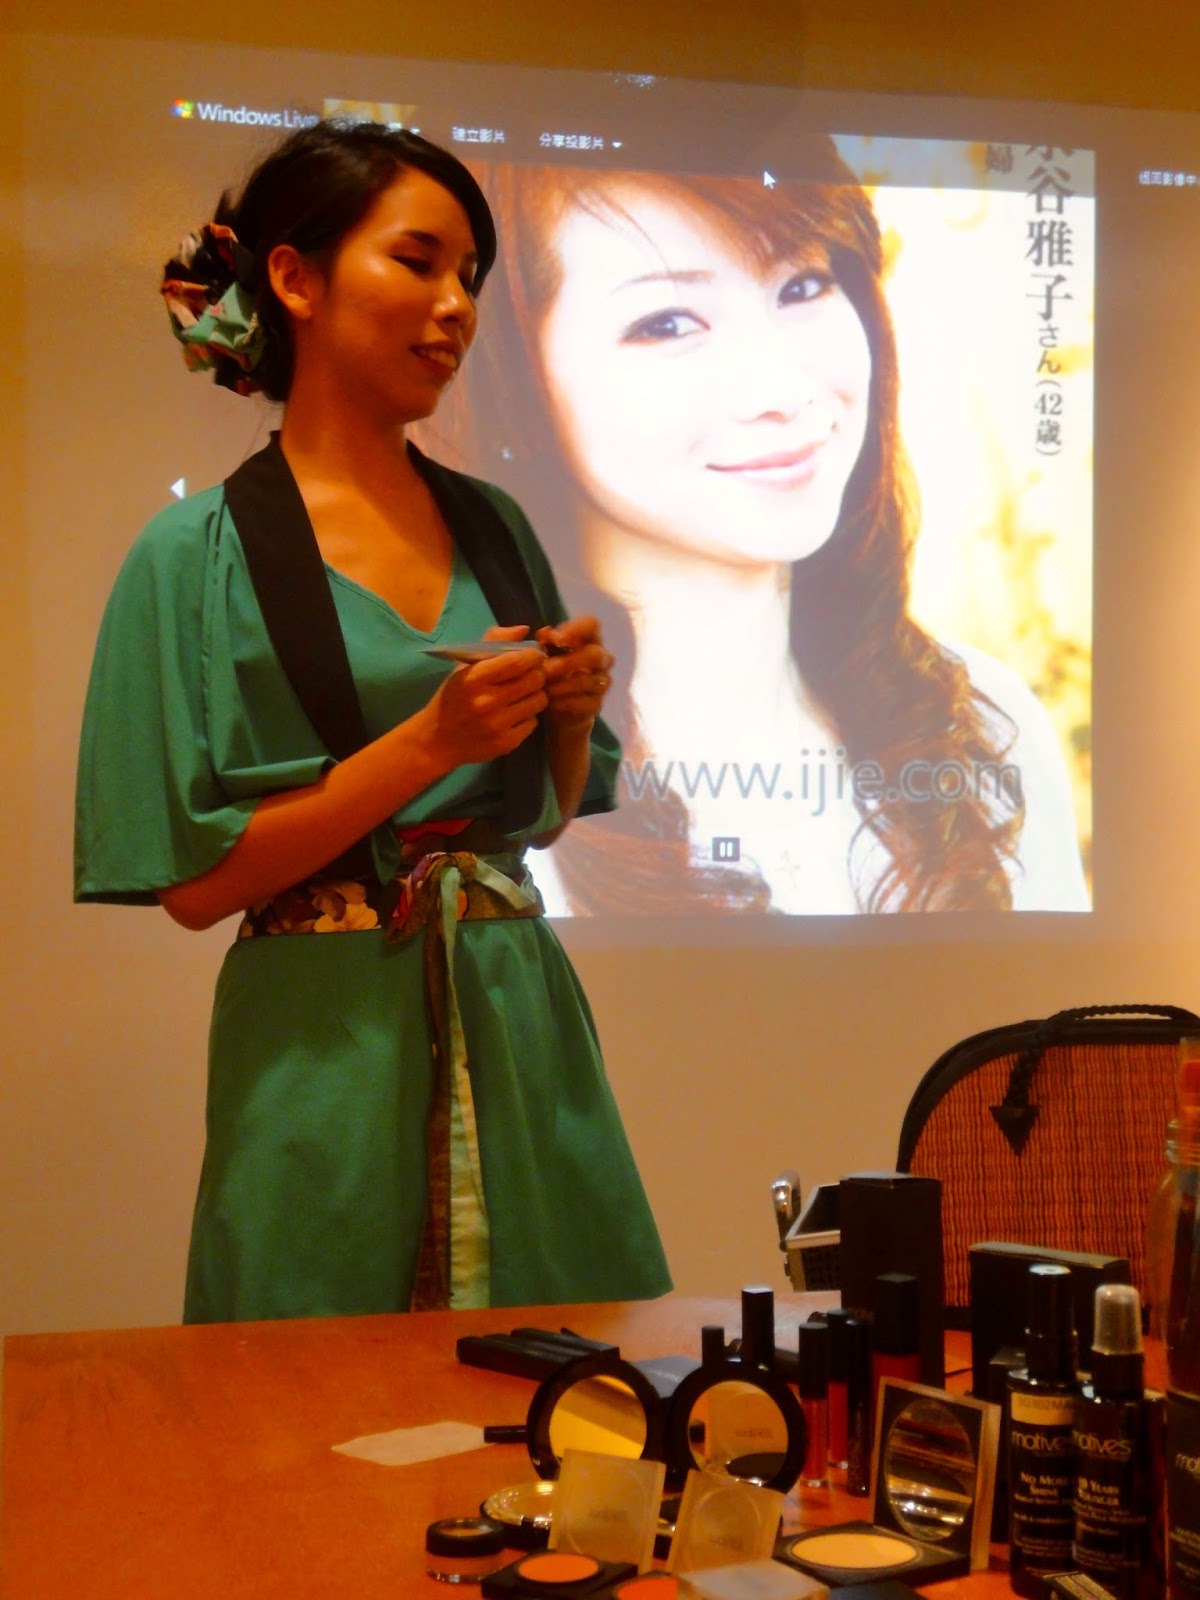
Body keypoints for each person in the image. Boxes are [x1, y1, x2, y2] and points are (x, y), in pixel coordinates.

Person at [74, 121, 671, 1321]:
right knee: (303, 1376)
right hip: (321, 1046)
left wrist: (565, 718)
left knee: (563, 1379)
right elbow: (196, 888)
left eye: (470, 277)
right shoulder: (193, 554)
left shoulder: (495, 523)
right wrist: (432, 741)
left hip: (517, 1013)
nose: (456, 307)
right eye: (418, 261)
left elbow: (540, 823)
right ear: (294, 279)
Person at [422, 150, 1090, 916]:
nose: (782, 388)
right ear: (513, 386)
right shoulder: (478, 800)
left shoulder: (981, 725)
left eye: (802, 286)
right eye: (666, 323)